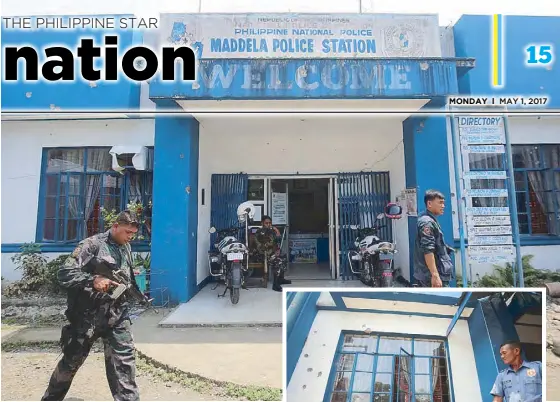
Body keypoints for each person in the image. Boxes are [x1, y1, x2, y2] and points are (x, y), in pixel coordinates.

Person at [42, 210, 142, 401]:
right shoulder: (92, 244)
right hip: (88, 317)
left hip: (116, 315)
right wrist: (93, 280)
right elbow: (64, 273)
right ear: (115, 226)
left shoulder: (125, 247)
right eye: (127, 232)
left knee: (124, 364)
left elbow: (123, 275)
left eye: (133, 234)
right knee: (71, 363)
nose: (130, 237)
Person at [413, 189, 454, 287]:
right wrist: (435, 275)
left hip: (433, 273)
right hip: (430, 276)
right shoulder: (427, 222)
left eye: (443, 203)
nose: (443, 206)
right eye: (440, 203)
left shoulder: (430, 220)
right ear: (429, 204)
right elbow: (428, 251)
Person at [253, 215, 291, 292]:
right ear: (262, 223)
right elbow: (264, 246)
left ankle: (281, 279)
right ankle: (275, 284)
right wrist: (273, 251)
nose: (268, 224)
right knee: (278, 260)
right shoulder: (260, 232)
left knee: (283, 256)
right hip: (262, 255)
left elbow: (278, 241)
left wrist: (277, 231)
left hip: (270, 253)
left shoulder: (271, 231)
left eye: (270, 223)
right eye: (266, 223)